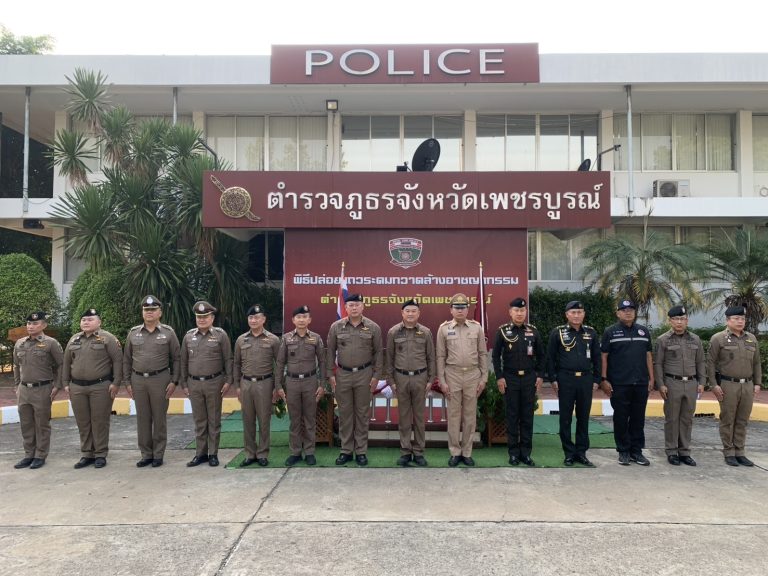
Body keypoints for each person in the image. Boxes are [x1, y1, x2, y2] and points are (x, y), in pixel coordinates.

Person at [122, 295, 181, 468]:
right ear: (142, 312)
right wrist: (127, 382)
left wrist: (174, 381)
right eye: (146, 310)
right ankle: (146, 454)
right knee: (143, 418)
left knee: (159, 418)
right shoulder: (133, 333)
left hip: (160, 379)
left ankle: (158, 454)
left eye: (153, 310)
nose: (149, 312)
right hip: (138, 380)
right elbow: (126, 359)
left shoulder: (168, 332)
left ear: (160, 312)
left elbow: (177, 358)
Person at [62, 308, 123, 469]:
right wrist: (65, 382)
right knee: (83, 421)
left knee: (99, 421)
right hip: (77, 387)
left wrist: (116, 382)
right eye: (84, 320)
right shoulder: (74, 339)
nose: (86, 322)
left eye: (90, 319)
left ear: (99, 322)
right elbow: (66, 362)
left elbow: (118, 361)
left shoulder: (108, 338)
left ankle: (100, 454)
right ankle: (87, 454)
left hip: (100, 386)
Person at [327, 293, 383, 466]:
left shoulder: (373, 327)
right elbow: (330, 352)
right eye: (351, 305)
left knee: (362, 414)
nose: (354, 308)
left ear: (363, 306)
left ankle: (361, 451)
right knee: (345, 414)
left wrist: (376, 376)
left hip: (364, 374)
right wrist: (330, 375)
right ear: (346, 307)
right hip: (342, 375)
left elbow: (378, 353)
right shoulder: (336, 327)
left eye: (357, 305)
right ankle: (346, 450)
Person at [436, 293, 488, 467]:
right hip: (452, 375)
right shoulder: (443, 329)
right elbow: (440, 356)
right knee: (453, 416)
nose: (460, 310)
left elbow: (482, 354)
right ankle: (455, 452)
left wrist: (484, 378)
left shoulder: (476, 328)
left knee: (469, 416)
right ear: (451, 310)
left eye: (463, 307)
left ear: (467, 309)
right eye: (456, 307)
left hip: (472, 375)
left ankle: (467, 452)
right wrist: (442, 380)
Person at [600, 299, 654, 466]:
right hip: (619, 383)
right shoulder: (610, 332)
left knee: (638, 418)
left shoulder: (643, 331)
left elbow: (648, 355)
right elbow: (604, 356)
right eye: (624, 310)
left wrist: (651, 378)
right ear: (618, 313)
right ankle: (623, 451)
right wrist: (604, 379)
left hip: (641, 383)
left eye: (631, 309)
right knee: (621, 418)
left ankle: (636, 452)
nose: (628, 312)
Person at [492, 297, 545, 467]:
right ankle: (513, 453)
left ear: (526, 312)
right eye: (516, 310)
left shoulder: (533, 331)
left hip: (529, 378)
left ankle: (526, 453)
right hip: (510, 378)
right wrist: (499, 377)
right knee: (512, 416)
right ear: (510, 312)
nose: (520, 313)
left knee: (527, 417)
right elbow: (495, 356)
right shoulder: (503, 331)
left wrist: (540, 375)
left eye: (522, 310)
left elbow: (541, 355)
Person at [547, 300, 601, 467]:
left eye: (579, 312)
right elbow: (550, 358)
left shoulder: (591, 333)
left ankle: (581, 453)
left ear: (584, 314)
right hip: (565, 379)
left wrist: (597, 379)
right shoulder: (558, 332)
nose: (576, 315)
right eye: (573, 312)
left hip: (585, 379)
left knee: (583, 417)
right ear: (567, 315)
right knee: (565, 418)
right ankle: (569, 453)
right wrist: (553, 379)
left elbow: (597, 358)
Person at [707, 305, 762, 466]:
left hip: (748, 385)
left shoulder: (751, 338)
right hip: (728, 384)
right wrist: (714, 385)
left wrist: (757, 383)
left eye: (743, 318)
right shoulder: (718, 338)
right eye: (736, 318)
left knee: (742, 419)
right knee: (728, 419)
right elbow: (710, 363)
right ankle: (729, 451)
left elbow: (757, 363)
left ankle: (740, 451)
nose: (740, 321)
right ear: (728, 320)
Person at [180, 301, 233, 468]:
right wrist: (184, 383)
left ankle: (213, 454)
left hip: (214, 382)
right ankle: (200, 453)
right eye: (199, 317)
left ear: (212, 318)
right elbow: (183, 361)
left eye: (205, 317)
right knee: (199, 420)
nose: (202, 320)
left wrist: (229, 380)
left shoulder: (220, 335)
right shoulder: (188, 336)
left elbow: (228, 359)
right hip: (194, 383)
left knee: (214, 420)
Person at [385, 299, 436, 467]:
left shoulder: (426, 332)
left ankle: (419, 452)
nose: (411, 314)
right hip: (400, 378)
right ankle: (405, 452)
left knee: (420, 419)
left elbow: (431, 358)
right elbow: (389, 359)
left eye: (414, 311)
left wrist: (431, 380)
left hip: (420, 378)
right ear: (402, 313)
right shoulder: (393, 332)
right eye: (407, 311)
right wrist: (391, 381)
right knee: (404, 418)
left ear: (419, 313)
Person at [653, 305, 705, 466]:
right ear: (670, 321)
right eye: (676, 319)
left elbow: (701, 362)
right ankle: (671, 451)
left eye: (682, 319)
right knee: (672, 419)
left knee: (687, 419)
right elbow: (658, 364)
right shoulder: (663, 340)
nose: (679, 322)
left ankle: (684, 452)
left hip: (691, 383)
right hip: (672, 383)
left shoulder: (695, 339)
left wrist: (702, 382)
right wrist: (661, 384)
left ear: (687, 321)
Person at [275, 305, 326, 467]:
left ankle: (309, 452)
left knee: (310, 418)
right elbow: (280, 363)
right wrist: (278, 386)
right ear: (293, 320)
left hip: (311, 382)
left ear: (309, 320)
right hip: (292, 383)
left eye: (305, 317)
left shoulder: (316, 338)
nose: (301, 320)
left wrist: (322, 384)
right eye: (298, 317)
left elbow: (322, 362)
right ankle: (295, 452)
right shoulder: (286, 338)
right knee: (294, 419)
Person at [12, 311, 63, 470]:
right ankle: (29, 454)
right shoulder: (20, 343)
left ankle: (40, 455)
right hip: (24, 389)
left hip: (42, 388)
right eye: (29, 323)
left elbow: (61, 365)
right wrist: (17, 385)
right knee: (26, 424)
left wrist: (57, 386)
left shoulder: (51, 343)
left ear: (43, 325)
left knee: (42, 424)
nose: (31, 326)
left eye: (35, 323)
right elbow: (16, 365)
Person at [233, 304, 281, 467]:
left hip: (265, 383)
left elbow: (279, 364)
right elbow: (236, 364)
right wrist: (237, 386)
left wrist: (277, 387)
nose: (253, 320)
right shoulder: (241, 340)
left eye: (257, 317)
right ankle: (249, 453)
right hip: (246, 383)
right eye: (251, 317)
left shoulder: (273, 340)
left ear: (264, 319)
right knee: (247, 420)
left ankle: (262, 454)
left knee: (264, 420)